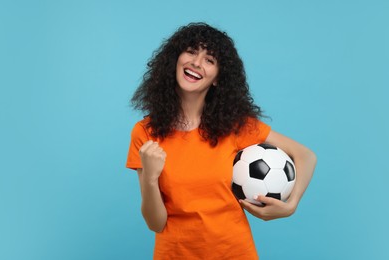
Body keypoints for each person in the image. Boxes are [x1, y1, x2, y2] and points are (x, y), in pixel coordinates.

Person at [126, 22, 317, 259]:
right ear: (175, 59)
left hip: (234, 253)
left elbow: (306, 156)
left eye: (210, 60)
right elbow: (156, 223)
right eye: (192, 51)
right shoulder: (146, 132)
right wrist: (151, 179)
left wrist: (290, 205)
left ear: (217, 78)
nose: (197, 62)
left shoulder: (235, 126)